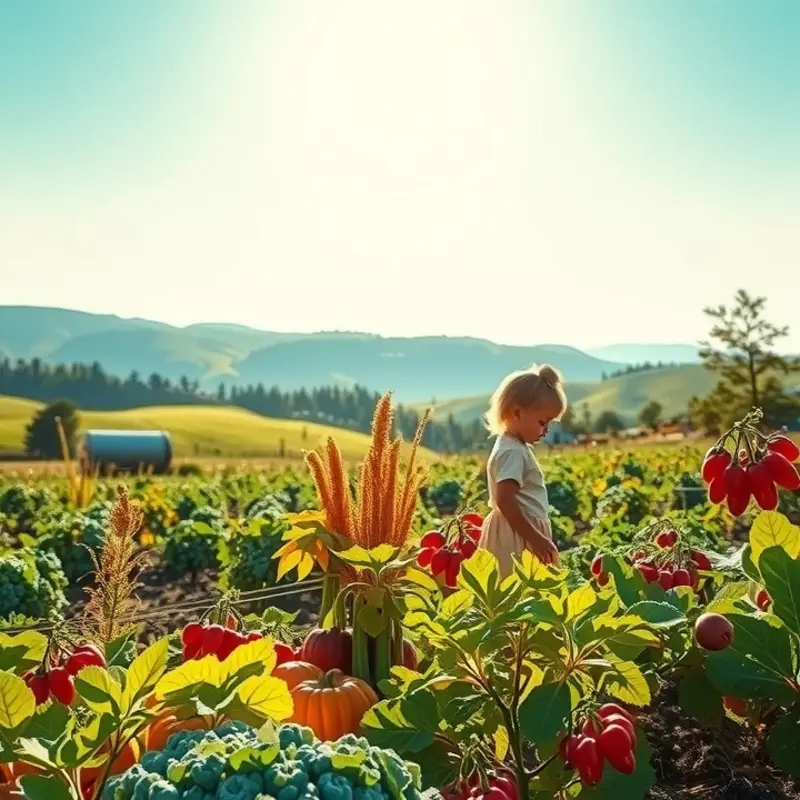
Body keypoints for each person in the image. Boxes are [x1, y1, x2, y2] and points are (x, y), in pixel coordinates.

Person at [479, 363, 567, 578]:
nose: (546, 431)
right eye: (542, 422)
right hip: (518, 535)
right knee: (525, 592)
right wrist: (535, 538)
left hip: (516, 530)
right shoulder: (513, 453)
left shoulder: (512, 446)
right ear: (517, 412)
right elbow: (505, 500)